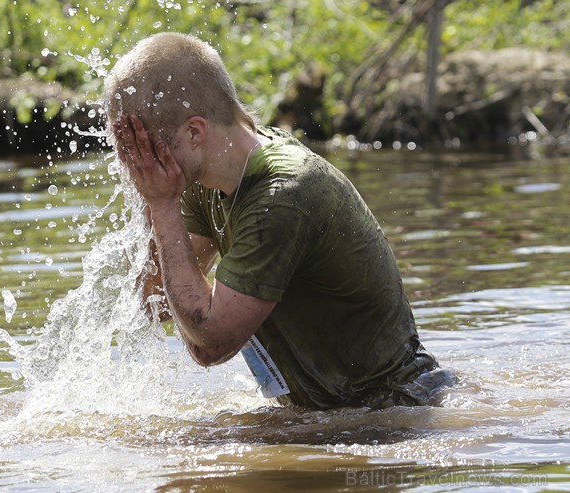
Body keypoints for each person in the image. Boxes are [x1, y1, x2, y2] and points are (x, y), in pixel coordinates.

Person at [103, 32, 453, 410]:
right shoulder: (204, 177)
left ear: (194, 131)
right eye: (129, 148)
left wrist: (162, 205)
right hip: (327, 414)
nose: (137, 162)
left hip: (395, 412)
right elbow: (156, 301)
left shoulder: (283, 195)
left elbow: (210, 343)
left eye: (145, 146)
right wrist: (152, 199)